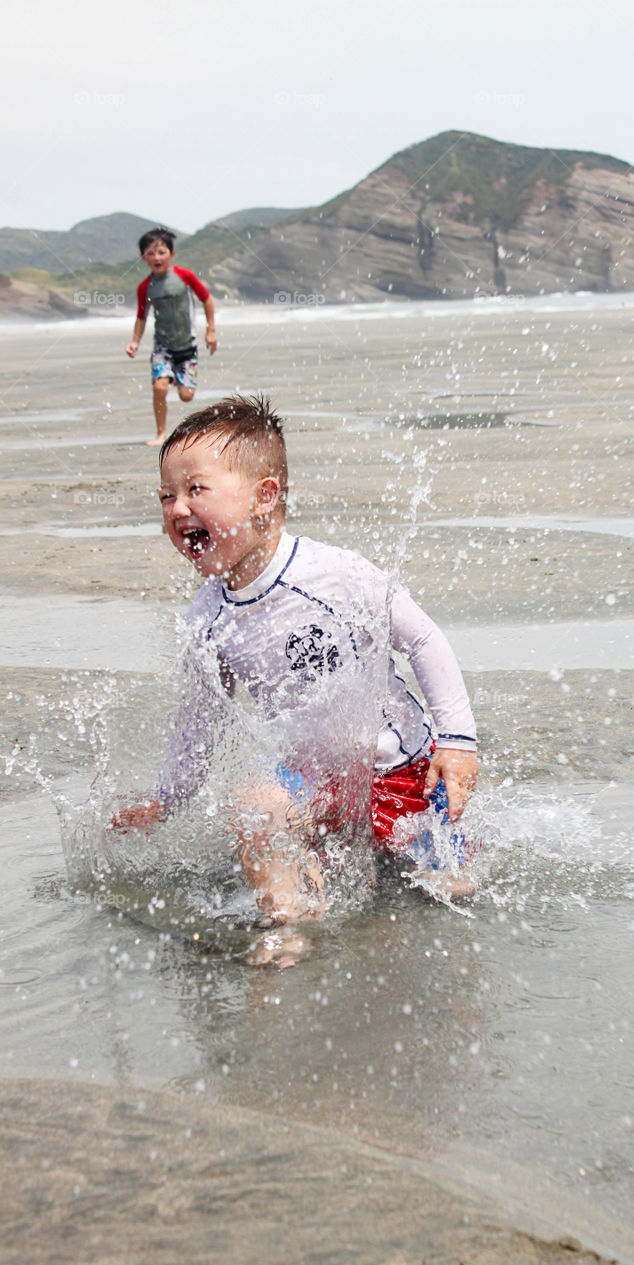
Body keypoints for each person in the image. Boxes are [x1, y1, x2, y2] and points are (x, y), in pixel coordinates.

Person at [111, 394, 480, 964]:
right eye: (166, 496)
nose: (178, 509)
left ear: (265, 498)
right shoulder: (207, 619)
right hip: (311, 777)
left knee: (449, 891)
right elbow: (199, 720)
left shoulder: (332, 574)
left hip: (395, 770)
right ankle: (288, 921)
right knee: (255, 804)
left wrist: (457, 743)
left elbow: (425, 640)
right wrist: (167, 799)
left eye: (196, 490)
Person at [125, 227, 217, 447]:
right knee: (159, 387)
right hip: (163, 346)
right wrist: (135, 341)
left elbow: (207, 299)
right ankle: (161, 433)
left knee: (186, 396)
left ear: (171, 254)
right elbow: (141, 316)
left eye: (161, 252)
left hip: (187, 345)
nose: (157, 257)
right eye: (150, 253)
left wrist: (211, 329)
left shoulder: (184, 276)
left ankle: (176, 378)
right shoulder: (145, 287)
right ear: (142, 257)